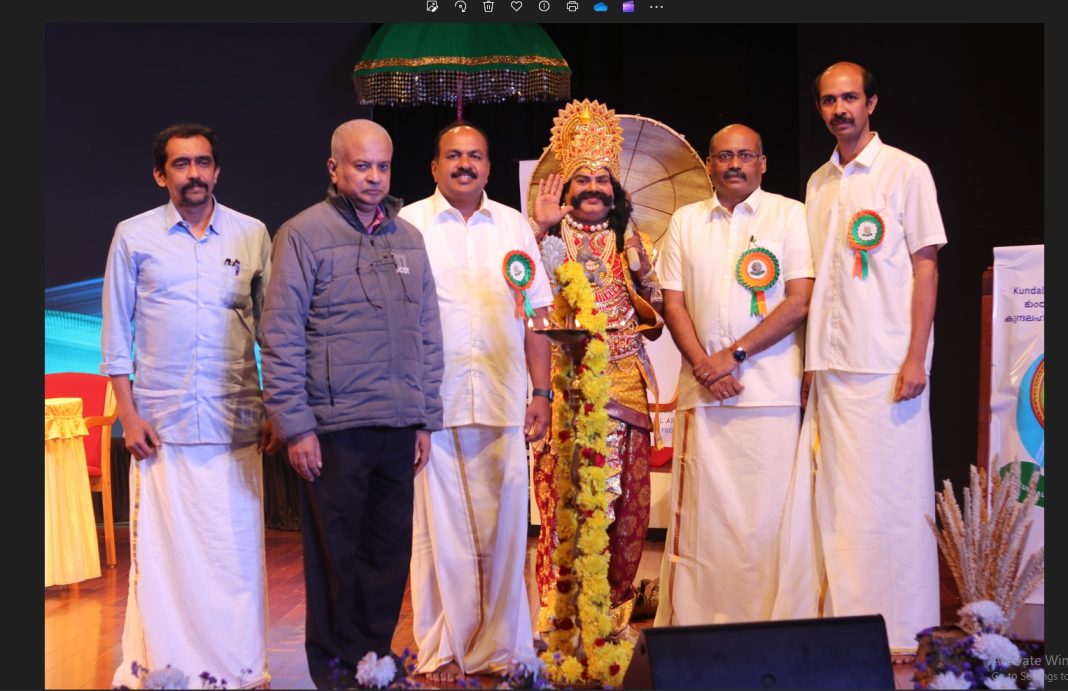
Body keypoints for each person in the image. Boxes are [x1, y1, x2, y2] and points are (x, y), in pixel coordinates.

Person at [258, 119, 445, 689]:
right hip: (333, 429)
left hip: (399, 424)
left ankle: (374, 664)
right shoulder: (302, 234)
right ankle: (336, 672)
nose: (373, 177)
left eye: (382, 166)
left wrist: (425, 418)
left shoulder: (408, 238)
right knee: (335, 558)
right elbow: (280, 333)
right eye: (362, 166)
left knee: (388, 557)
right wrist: (295, 426)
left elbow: (428, 331)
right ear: (334, 168)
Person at [777, 61, 946, 656]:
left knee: (892, 499)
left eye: (849, 98)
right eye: (829, 100)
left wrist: (916, 357)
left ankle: (902, 629)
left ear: (871, 103)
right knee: (838, 505)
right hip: (830, 367)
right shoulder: (818, 183)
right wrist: (808, 365)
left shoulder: (906, 171)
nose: (839, 109)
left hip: (887, 365)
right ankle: (846, 624)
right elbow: (818, 281)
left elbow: (926, 267)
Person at [102, 123, 279, 689]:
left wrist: (276, 408)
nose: (194, 174)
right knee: (164, 561)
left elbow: (272, 331)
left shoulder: (251, 234)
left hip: (236, 423)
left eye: (203, 162)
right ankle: (166, 667)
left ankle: (240, 667)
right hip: (162, 428)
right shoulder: (133, 236)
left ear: (217, 171)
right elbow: (116, 335)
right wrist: (128, 415)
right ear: (161, 175)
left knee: (234, 557)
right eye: (181, 164)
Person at [398, 122, 553, 682]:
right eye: (454, 155)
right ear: (435, 166)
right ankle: (442, 647)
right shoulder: (408, 224)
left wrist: (542, 392)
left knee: (506, 529)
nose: (465, 164)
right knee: (436, 534)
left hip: (502, 396)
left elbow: (536, 315)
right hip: (431, 405)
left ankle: (504, 646)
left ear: (488, 166)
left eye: (476, 156)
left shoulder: (512, 225)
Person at [651, 124, 814, 627]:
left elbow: (799, 301)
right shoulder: (686, 221)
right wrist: (706, 366)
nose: (735, 164)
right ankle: (697, 627)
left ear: (763, 163)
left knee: (767, 524)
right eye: (724, 156)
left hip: (770, 396)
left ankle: (769, 629)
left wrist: (733, 356)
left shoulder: (790, 214)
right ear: (709, 164)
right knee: (705, 526)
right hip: (702, 397)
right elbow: (673, 304)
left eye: (745, 155)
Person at [529, 99, 664, 641]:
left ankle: (613, 614)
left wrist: (640, 268)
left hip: (626, 384)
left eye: (601, 179)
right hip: (567, 389)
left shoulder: (634, 241)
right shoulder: (547, 238)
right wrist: (537, 232)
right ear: (567, 187)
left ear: (615, 189)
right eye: (581, 178)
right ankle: (561, 616)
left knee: (628, 505)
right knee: (566, 505)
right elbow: (524, 298)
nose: (592, 187)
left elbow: (656, 317)